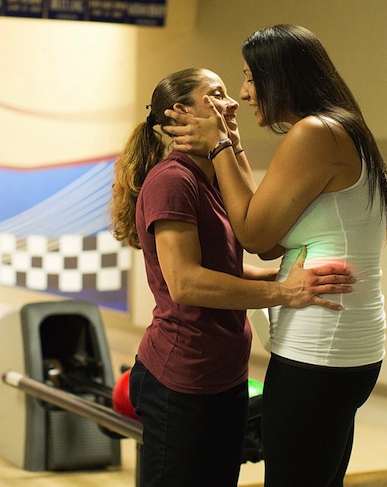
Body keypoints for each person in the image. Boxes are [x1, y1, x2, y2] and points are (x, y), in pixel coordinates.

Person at [163, 25, 387, 487]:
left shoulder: (314, 132)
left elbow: (251, 233)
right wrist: (228, 148)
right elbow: (271, 240)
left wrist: (218, 148)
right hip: (342, 343)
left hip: (320, 347)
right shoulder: (336, 127)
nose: (243, 94)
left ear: (281, 77)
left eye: (251, 78)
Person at [110, 67, 357, 487]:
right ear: (181, 113)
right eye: (217, 94)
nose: (232, 103)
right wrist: (282, 293)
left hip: (224, 375)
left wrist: (269, 278)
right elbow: (186, 282)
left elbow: (233, 255)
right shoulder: (172, 182)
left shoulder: (212, 177)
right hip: (181, 379)